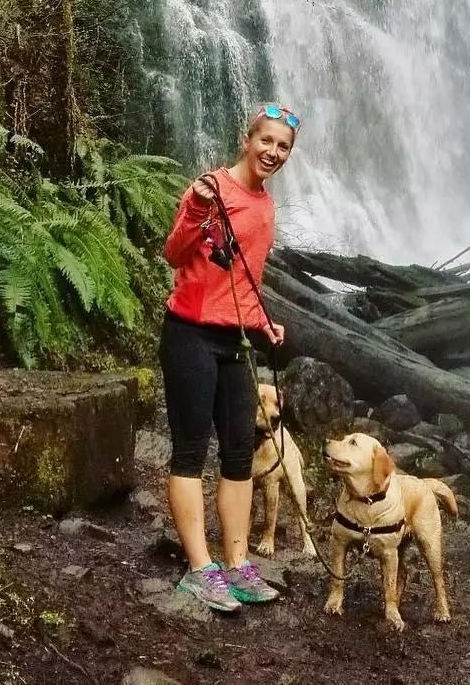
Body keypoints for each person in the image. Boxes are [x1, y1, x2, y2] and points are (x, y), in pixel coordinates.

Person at [159, 102, 300, 613]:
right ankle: (201, 570)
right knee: (191, 450)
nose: (274, 152)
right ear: (248, 139)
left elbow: (246, 280)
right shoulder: (210, 189)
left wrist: (264, 322)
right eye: (267, 141)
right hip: (190, 334)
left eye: (283, 147)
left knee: (240, 451)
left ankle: (238, 565)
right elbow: (174, 253)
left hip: (237, 339)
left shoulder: (265, 206)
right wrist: (196, 212)